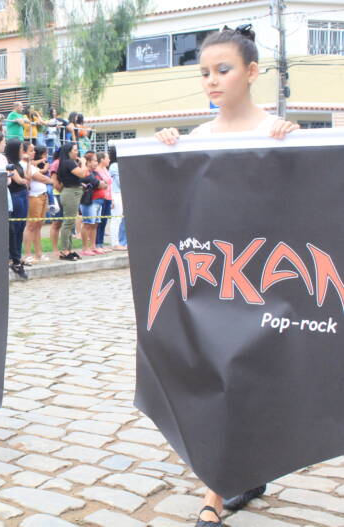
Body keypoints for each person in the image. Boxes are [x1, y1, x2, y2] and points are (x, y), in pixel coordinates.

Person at [153, 25, 299, 527]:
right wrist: (167, 153)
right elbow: (178, 208)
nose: (212, 81)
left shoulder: (280, 132)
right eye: (204, 73)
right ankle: (215, 492)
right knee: (215, 379)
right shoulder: (197, 138)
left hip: (265, 284)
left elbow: (303, 210)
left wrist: (294, 150)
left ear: (252, 72)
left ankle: (246, 471)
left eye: (223, 70)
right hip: (210, 283)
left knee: (250, 382)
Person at [56, 142, 99, 261]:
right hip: (70, 193)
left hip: (72, 192)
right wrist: (84, 163)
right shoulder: (68, 162)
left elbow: (76, 177)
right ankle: (65, 250)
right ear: (69, 151)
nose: (77, 152)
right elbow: (82, 174)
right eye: (75, 150)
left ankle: (69, 249)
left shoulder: (68, 162)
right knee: (68, 222)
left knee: (70, 223)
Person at [5, 139, 29, 278]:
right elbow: (20, 180)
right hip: (15, 195)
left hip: (22, 194)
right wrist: (24, 181)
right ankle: (13, 256)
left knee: (21, 226)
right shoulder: (9, 164)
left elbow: (27, 177)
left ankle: (18, 255)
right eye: (20, 148)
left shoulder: (18, 163)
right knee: (15, 226)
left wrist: (29, 163)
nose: (22, 151)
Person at [23, 145, 51, 263]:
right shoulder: (24, 164)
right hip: (34, 197)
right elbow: (39, 177)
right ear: (23, 152)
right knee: (31, 225)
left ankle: (38, 253)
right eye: (31, 151)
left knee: (38, 226)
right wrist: (53, 181)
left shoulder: (31, 164)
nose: (34, 152)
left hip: (42, 195)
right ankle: (27, 254)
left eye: (34, 150)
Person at [77, 151, 107, 255]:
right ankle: (85, 248)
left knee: (95, 224)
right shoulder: (85, 172)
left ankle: (93, 246)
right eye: (94, 161)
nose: (96, 163)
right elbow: (97, 183)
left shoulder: (95, 172)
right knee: (87, 224)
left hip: (99, 201)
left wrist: (101, 184)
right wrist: (100, 184)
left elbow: (105, 183)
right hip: (90, 202)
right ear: (88, 162)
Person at [93, 151, 113, 252]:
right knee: (99, 222)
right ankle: (97, 244)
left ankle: (101, 244)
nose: (109, 160)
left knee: (104, 222)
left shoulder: (105, 169)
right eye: (107, 158)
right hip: (101, 198)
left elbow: (109, 184)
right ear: (101, 160)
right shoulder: (97, 170)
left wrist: (112, 199)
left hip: (108, 197)